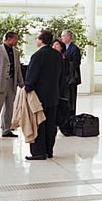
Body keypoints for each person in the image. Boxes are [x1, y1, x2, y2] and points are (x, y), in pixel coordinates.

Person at [24, 30, 63, 161]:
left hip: (38, 95)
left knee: (38, 123)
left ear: (41, 40)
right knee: (50, 124)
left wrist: (27, 87)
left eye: (37, 38)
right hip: (53, 94)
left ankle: (38, 152)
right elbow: (62, 76)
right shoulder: (57, 55)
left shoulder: (38, 55)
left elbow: (32, 75)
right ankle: (48, 150)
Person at [0, 31, 23, 138]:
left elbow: (18, 69)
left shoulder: (16, 52)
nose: (17, 41)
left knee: (9, 107)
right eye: (15, 39)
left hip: (12, 83)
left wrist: (21, 83)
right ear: (9, 39)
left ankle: (6, 130)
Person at [60, 30, 82, 115]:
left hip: (71, 78)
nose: (61, 38)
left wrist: (65, 60)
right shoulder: (62, 48)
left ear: (69, 37)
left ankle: (71, 117)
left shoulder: (74, 49)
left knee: (71, 100)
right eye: (61, 36)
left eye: (63, 36)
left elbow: (76, 63)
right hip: (63, 78)